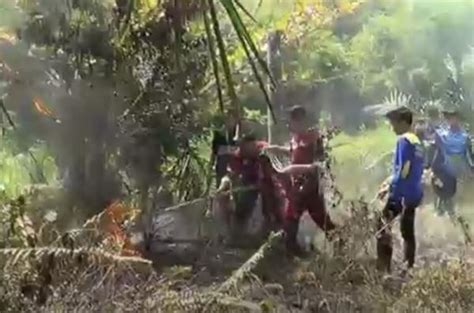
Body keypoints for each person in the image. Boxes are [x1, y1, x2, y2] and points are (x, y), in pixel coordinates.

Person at [265, 105, 339, 256]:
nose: (289, 125)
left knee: (301, 218)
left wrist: (293, 169)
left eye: (291, 121)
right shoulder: (295, 139)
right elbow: (293, 153)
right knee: (304, 218)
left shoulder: (314, 138)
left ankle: (297, 254)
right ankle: (298, 253)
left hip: (309, 185)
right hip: (298, 186)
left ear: (301, 121)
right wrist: (277, 149)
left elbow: (320, 165)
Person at [376, 106, 424, 273]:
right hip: (414, 192)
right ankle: (408, 267)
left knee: (382, 225)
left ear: (403, 122)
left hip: (401, 193)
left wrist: (390, 188)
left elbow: (404, 168)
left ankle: (384, 268)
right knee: (407, 232)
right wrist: (388, 181)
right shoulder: (417, 141)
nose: (392, 127)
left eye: (393, 123)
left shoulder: (403, 140)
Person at [215, 134, 284, 241]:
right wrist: (224, 185)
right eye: (242, 146)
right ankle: (236, 234)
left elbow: (274, 172)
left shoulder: (265, 151)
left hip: (269, 181)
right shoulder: (238, 156)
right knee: (243, 204)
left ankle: (276, 231)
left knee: (272, 202)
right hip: (249, 182)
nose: (245, 149)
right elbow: (232, 173)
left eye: (249, 146)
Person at [429, 108, 473, 215]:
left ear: (458, 119)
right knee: (436, 180)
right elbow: (437, 151)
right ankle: (441, 207)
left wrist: (472, 168)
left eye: (454, 118)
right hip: (445, 169)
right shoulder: (442, 135)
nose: (452, 120)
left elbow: (469, 155)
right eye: (449, 118)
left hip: (459, 169)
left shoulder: (465, 137)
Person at [210, 113, 238, 188]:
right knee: (221, 186)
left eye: (233, 120)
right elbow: (215, 151)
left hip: (233, 167)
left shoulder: (237, 135)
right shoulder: (219, 135)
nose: (231, 122)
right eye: (229, 119)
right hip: (222, 165)